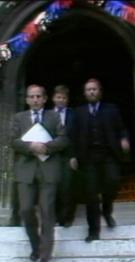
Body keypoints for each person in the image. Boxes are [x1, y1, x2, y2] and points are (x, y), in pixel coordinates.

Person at [11, 84, 69, 262]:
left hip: (48, 170)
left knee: (47, 211)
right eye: (31, 96)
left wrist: (47, 147)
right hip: (25, 171)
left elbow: (64, 139)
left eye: (38, 96)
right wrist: (30, 147)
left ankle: (44, 256)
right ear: (27, 99)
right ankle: (35, 246)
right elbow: (13, 141)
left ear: (45, 99)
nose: (35, 99)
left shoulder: (54, 116)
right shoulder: (18, 118)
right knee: (26, 210)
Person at [70, 78, 130, 243]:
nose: (91, 92)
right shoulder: (79, 112)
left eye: (94, 89)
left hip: (109, 154)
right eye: (88, 89)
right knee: (91, 195)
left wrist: (124, 139)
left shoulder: (112, 109)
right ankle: (93, 231)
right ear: (84, 93)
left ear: (100, 91)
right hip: (88, 157)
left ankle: (107, 209)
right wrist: (73, 156)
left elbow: (122, 128)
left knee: (112, 183)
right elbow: (73, 136)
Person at [52, 85, 77, 228]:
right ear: (53, 98)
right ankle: (55, 216)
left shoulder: (74, 114)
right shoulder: (47, 114)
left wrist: (74, 156)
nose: (61, 100)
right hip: (51, 157)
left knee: (67, 187)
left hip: (68, 156)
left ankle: (67, 217)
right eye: (58, 97)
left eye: (64, 98)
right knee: (53, 187)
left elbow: (77, 136)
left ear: (67, 100)